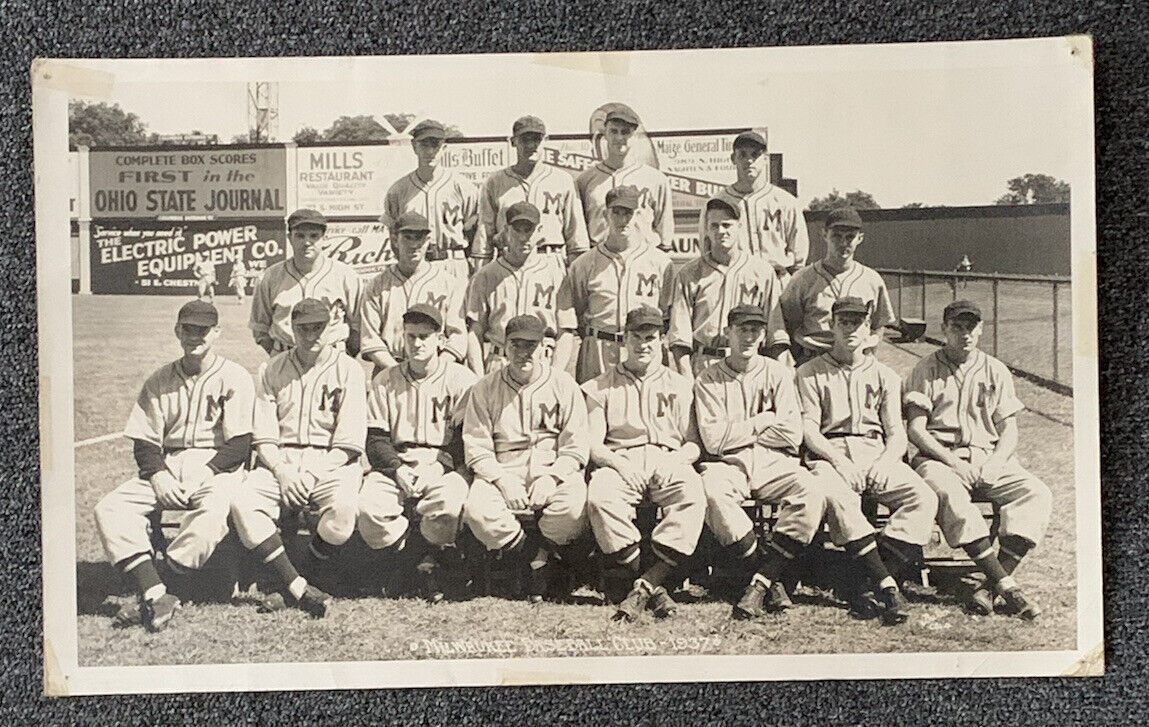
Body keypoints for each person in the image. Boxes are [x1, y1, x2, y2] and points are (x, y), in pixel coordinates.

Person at [94, 301, 254, 632]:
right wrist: (158, 475)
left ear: (217, 333)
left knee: (213, 511)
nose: (195, 336)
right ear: (177, 331)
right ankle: (157, 593)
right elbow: (144, 441)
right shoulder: (159, 380)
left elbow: (240, 444)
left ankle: (165, 583)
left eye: (203, 330)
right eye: (188, 329)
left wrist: (206, 471)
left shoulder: (235, 376)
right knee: (110, 508)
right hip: (169, 463)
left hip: (218, 465)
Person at [904, 300, 1050, 619]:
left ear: (981, 330)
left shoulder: (995, 369)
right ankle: (1008, 586)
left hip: (987, 457)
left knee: (1036, 493)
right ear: (944, 329)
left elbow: (1008, 428)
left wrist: (997, 462)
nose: (965, 333)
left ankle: (989, 586)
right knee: (949, 494)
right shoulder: (925, 368)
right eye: (957, 326)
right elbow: (915, 429)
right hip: (939, 456)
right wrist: (952, 462)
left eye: (971, 326)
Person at [796, 297, 938, 614]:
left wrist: (886, 462)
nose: (851, 328)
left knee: (923, 498)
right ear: (831, 325)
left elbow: (896, 431)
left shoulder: (886, 375)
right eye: (844, 321)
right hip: (830, 453)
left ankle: (861, 580)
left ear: (868, 328)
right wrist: (839, 462)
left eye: (858, 322)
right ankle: (885, 585)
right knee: (837, 495)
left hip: (876, 452)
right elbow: (810, 430)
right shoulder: (809, 372)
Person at [230, 298, 367, 617]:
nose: (311, 334)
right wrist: (282, 472)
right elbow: (263, 437)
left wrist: (311, 476)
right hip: (281, 461)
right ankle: (296, 585)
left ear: (330, 327)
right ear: (291, 329)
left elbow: (349, 443)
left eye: (318, 327)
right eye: (303, 328)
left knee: (345, 511)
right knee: (242, 503)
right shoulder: (271, 369)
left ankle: (304, 572)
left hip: (331, 462)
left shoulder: (349, 370)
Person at [692, 305, 825, 620]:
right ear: (728, 332)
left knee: (811, 491)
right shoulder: (708, 378)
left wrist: (739, 431)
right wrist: (763, 421)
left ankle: (761, 580)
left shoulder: (778, 373)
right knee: (712, 493)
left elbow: (792, 434)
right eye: (742, 329)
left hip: (774, 461)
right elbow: (713, 441)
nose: (749, 337)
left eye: (755, 330)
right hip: (729, 464)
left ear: (764, 334)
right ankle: (769, 579)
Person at [583, 306, 705, 622]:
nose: (643, 345)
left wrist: (676, 459)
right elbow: (594, 446)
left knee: (692, 494)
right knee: (600, 497)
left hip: (669, 457)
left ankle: (644, 583)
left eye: (650, 337)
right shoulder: (600, 386)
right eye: (636, 337)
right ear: (624, 339)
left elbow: (693, 444)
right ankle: (654, 585)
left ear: (662, 340)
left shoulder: (680, 385)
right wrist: (619, 465)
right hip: (621, 458)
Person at [461, 315, 590, 601]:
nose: (523, 353)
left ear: (545, 347)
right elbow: (477, 447)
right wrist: (503, 481)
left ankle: (535, 557)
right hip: (504, 467)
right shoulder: (484, 387)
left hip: (552, 466)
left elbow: (576, 446)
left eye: (530, 345)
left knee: (573, 509)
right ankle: (533, 559)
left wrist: (552, 476)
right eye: (516, 345)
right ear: (504, 347)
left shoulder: (564, 384)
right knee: (478, 512)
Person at [357, 304, 479, 601]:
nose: (417, 343)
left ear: (440, 339)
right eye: (411, 336)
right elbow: (375, 439)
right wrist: (397, 468)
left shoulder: (462, 380)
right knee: (369, 511)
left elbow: (466, 439)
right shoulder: (385, 380)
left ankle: (422, 561)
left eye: (425, 336)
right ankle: (413, 559)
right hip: (397, 462)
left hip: (442, 463)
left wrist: (439, 467)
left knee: (448, 505)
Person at [560, 185, 675, 383]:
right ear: (606, 214)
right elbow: (578, 314)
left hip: (642, 350)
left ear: (638, 214)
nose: (622, 220)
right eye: (617, 212)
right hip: (599, 349)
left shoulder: (660, 262)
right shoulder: (584, 264)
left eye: (628, 213)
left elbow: (666, 313)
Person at [668, 197, 788, 380]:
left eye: (727, 225)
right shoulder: (690, 273)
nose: (720, 231)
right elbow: (680, 338)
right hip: (705, 362)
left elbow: (775, 333)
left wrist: (778, 377)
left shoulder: (762, 271)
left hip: (750, 365)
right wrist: (687, 378)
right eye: (714, 226)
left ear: (739, 227)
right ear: (706, 230)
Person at [465, 201, 577, 375]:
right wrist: (478, 377)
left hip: (541, 361)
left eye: (529, 230)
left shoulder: (556, 274)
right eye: (518, 229)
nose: (523, 237)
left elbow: (566, 332)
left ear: (539, 231)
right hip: (500, 361)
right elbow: (475, 331)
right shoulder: (486, 275)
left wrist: (555, 375)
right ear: (506, 230)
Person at [780, 207, 894, 366]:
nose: (843, 243)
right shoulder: (802, 279)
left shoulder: (872, 280)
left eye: (850, 237)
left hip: (857, 360)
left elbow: (878, 325)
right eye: (836, 236)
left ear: (860, 238)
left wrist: (868, 355)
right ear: (824, 235)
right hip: (814, 358)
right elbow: (789, 324)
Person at [359, 211, 468, 375]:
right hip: (390, 369)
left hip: (436, 370)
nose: (414, 244)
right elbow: (370, 339)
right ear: (395, 240)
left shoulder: (448, 283)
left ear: (428, 241)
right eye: (408, 237)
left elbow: (458, 336)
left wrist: (437, 368)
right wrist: (398, 372)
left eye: (419, 238)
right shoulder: (377, 285)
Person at [479, 115, 589, 272]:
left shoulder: (563, 180)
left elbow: (576, 237)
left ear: (546, 141)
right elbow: (485, 236)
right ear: (513, 142)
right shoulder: (495, 182)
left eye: (537, 139)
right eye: (525, 139)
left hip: (550, 260)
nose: (531, 145)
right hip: (508, 262)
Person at [381, 119, 487, 281]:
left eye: (435, 145)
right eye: (424, 144)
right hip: (415, 266)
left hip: (453, 263)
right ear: (414, 147)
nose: (430, 151)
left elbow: (475, 230)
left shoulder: (463, 187)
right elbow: (394, 237)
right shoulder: (398, 190)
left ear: (443, 148)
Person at [250, 208, 362, 357]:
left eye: (314, 236)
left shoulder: (346, 275)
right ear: (290, 238)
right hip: (285, 354)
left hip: (332, 355)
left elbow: (358, 326)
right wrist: (278, 355)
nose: (307, 242)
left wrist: (344, 357)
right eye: (300, 236)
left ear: (324, 239)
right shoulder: (270, 277)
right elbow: (260, 328)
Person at [703, 130, 809, 284]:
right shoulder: (717, 202)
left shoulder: (785, 201)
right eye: (743, 154)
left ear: (765, 159)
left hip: (777, 278)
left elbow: (799, 256)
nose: (749, 160)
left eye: (755, 154)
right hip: (733, 280)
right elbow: (706, 249)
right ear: (733, 159)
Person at [575, 104, 674, 251]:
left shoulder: (655, 179)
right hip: (600, 257)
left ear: (634, 135)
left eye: (625, 132)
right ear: (605, 134)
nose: (619, 137)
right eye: (614, 131)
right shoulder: (585, 180)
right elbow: (579, 231)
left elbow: (664, 231)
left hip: (643, 255)